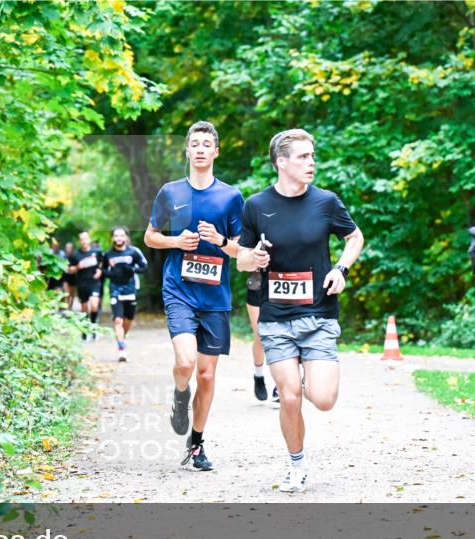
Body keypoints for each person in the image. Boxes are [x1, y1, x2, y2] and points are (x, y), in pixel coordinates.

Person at [237, 128, 364, 493]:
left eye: (312, 156)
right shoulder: (256, 206)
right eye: (303, 157)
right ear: (282, 162)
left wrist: (341, 269)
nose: (312, 163)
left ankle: (309, 372)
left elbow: (354, 238)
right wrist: (253, 258)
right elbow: (242, 258)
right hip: (276, 316)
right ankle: (297, 465)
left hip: (319, 314)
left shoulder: (326, 202)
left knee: (323, 400)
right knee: (289, 395)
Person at [144, 120, 243, 472]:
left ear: (216, 151)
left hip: (215, 296)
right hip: (179, 290)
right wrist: (176, 241)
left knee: (207, 375)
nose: (200, 149)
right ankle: (179, 393)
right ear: (187, 150)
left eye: (207, 144)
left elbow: (239, 251)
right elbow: (150, 237)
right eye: (195, 144)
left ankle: (197, 443)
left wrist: (218, 241)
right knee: (186, 364)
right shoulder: (171, 192)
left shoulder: (231, 196)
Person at [102, 226, 148, 362]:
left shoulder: (134, 252)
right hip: (115, 289)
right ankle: (122, 349)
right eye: (116, 236)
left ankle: (122, 336)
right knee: (117, 320)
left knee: (128, 319)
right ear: (112, 238)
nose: (119, 238)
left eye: (121, 236)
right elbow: (103, 270)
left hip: (130, 289)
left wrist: (133, 269)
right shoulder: (108, 254)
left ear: (126, 237)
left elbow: (144, 266)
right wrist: (110, 273)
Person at [245, 271, 279, 402]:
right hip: (258, 284)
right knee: (260, 336)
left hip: (284, 285)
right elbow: (242, 261)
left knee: (283, 336)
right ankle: (258, 376)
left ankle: (280, 384)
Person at [69, 231, 103, 341]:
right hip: (82, 284)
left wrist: (100, 271)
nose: (84, 241)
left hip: (94, 283)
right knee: (84, 309)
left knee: (94, 305)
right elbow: (70, 270)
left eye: (86, 238)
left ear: (89, 239)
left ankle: (93, 329)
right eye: (81, 239)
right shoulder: (75, 255)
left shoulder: (97, 252)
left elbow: (103, 264)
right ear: (79, 241)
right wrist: (78, 267)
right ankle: (84, 331)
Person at [62, 241, 76, 310]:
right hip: (65, 278)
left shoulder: (75, 257)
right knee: (67, 293)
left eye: (70, 248)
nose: (69, 249)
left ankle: (70, 307)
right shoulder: (63, 257)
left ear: (72, 249)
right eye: (67, 248)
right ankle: (67, 308)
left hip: (73, 278)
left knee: (72, 294)